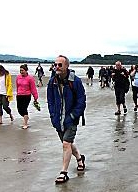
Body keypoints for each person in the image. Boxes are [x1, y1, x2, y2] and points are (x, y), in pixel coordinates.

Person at [47, 55, 86, 184]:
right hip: (58, 120)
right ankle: (80, 159)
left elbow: (81, 101)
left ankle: (63, 173)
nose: (57, 67)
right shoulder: (52, 81)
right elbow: (50, 101)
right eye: (55, 64)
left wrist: (73, 116)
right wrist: (53, 116)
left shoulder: (75, 81)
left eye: (60, 65)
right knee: (67, 143)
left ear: (67, 66)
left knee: (66, 144)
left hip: (71, 119)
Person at [16, 64, 39, 129]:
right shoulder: (18, 77)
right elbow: (17, 86)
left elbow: (33, 88)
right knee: (19, 109)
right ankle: (26, 116)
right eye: (20, 70)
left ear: (26, 71)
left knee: (24, 108)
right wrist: (17, 93)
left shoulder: (30, 78)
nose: (21, 72)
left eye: (22, 70)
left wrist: (35, 97)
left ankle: (25, 123)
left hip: (27, 95)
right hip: (19, 95)